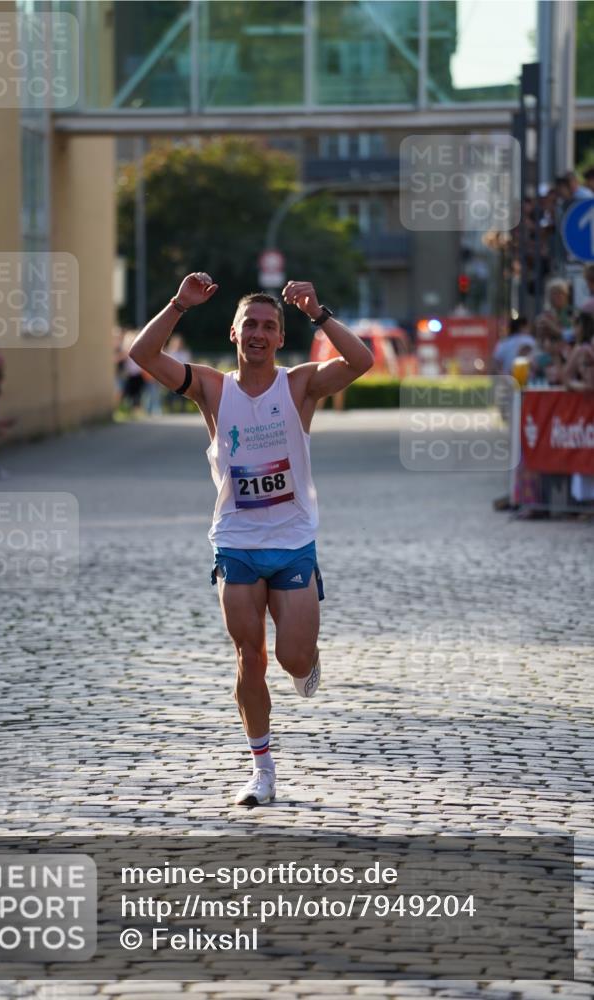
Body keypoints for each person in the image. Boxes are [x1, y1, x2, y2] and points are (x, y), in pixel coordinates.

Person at [129, 272, 373, 806]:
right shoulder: (213, 389)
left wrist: (319, 312)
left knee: (292, 657)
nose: (259, 333)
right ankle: (262, 771)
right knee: (250, 655)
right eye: (250, 325)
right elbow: (143, 354)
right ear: (235, 334)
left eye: (269, 325)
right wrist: (177, 304)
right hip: (236, 541)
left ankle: (308, 663)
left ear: (280, 338)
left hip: (292, 541)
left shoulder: (300, 385)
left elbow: (362, 362)